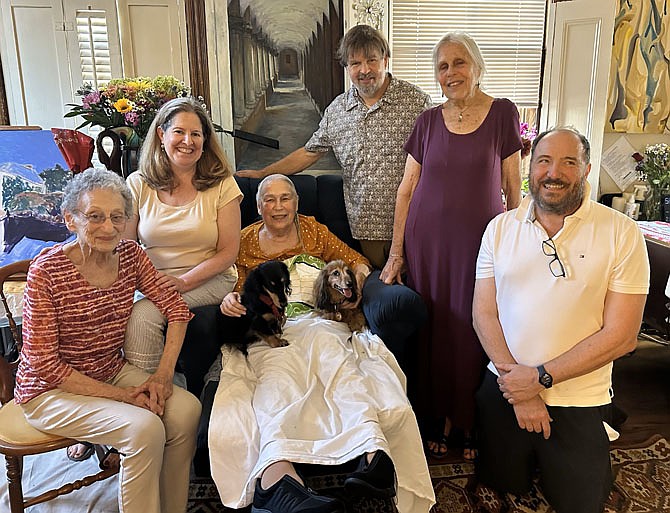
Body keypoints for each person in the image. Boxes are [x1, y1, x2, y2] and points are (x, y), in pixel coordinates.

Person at [206, 174, 435, 513]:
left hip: (319, 319)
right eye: (270, 199)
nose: (279, 206)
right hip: (273, 328)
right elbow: (230, 285)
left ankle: (375, 457)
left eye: (286, 198)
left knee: (338, 361)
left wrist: (353, 289)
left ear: (297, 204)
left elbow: (358, 261)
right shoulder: (243, 241)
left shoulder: (314, 231)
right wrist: (229, 300)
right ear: (258, 207)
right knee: (277, 375)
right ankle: (278, 479)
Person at [472, 127, 649, 513]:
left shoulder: (622, 232)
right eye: (544, 161)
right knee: (502, 480)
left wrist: (541, 379)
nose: (554, 173)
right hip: (505, 385)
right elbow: (483, 314)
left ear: (586, 170)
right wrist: (520, 387)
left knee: (580, 501)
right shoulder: (499, 228)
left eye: (569, 162)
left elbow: (623, 336)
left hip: (578, 397)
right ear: (529, 167)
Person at [14, 168, 201, 513]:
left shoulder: (130, 254)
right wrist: (125, 397)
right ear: (70, 219)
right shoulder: (47, 271)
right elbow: (44, 364)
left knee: (186, 410)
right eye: (94, 216)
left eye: (117, 217)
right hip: (47, 392)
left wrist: (161, 376)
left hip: (106, 370)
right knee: (144, 428)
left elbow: (176, 310)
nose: (108, 227)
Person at [380, 31, 522, 460]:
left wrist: (516, 246)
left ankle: (466, 418)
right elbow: (407, 189)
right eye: (442, 66)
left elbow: (513, 187)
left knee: (473, 326)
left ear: (476, 67)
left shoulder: (502, 114)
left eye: (459, 63)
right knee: (434, 330)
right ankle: (433, 416)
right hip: (428, 245)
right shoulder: (426, 121)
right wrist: (396, 252)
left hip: (481, 244)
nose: (451, 73)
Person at [236, 24, 432, 269]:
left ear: (386, 59)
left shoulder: (416, 102)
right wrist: (263, 174)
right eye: (355, 63)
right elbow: (310, 152)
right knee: (379, 295)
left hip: (416, 223)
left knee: (420, 295)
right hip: (367, 229)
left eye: (372, 60)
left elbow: (437, 157)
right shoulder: (338, 110)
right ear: (347, 67)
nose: (365, 70)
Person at [122, 96, 242, 374]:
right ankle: (141, 393)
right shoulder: (137, 184)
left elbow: (228, 253)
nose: (187, 141)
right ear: (162, 135)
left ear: (205, 141)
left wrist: (183, 282)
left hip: (211, 280)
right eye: (179, 131)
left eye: (196, 134)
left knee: (143, 315)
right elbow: (127, 248)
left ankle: (148, 391)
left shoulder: (222, 184)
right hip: (154, 282)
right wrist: (149, 284)